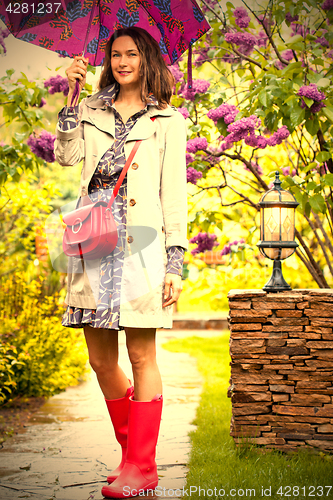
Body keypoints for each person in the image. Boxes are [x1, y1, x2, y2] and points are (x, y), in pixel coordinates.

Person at [54, 27, 188, 499]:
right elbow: (66, 156)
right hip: (94, 240)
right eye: (115, 54)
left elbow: (173, 195)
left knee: (141, 354)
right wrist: (70, 100)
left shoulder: (169, 120)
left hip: (144, 246)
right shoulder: (90, 107)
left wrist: (176, 262)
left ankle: (140, 467)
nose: (122, 61)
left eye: (132, 53)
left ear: (146, 59)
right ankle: (135, 453)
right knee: (99, 359)